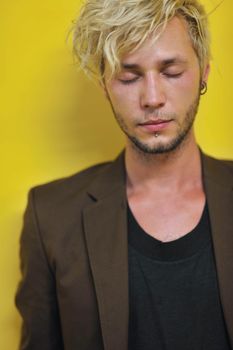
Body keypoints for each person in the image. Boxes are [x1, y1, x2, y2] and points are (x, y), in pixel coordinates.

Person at [15, 0, 233, 349]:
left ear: (204, 71)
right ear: (103, 84)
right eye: (129, 77)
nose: (152, 98)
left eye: (171, 72)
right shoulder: (51, 217)